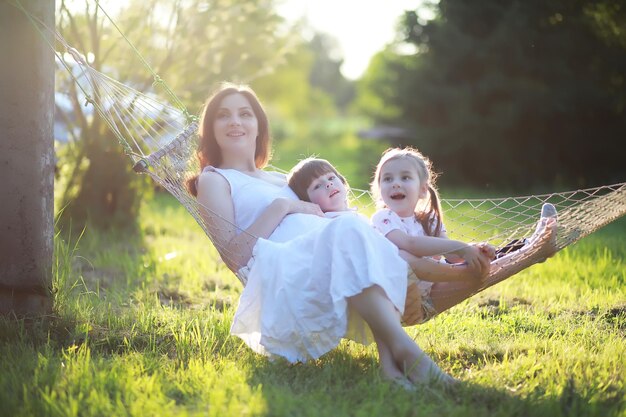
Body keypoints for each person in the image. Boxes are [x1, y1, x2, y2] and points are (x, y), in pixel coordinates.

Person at [185, 83, 494, 388]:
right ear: (211, 128)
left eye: (245, 114)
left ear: (258, 126)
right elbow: (234, 255)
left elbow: (327, 209)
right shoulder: (214, 180)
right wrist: (282, 206)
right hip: (285, 272)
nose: (235, 121)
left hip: (331, 258)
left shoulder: (279, 177)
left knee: (356, 228)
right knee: (349, 231)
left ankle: (392, 366)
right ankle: (413, 354)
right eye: (224, 115)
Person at [370, 147, 558, 322]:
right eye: (387, 179)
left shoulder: (428, 221)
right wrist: (462, 249)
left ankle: (535, 247)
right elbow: (410, 243)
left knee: (481, 263)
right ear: (379, 190)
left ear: (422, 189)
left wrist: (476, 250)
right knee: (404, 257)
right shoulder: (383, 218)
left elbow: (452, 255)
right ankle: (533, 249)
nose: (395, 184)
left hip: (431, 297)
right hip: (395, 304)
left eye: (405, 178)